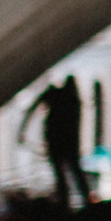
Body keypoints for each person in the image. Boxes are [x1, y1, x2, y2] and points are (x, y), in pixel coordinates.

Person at [17, 76, 87, 206]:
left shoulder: (54, 94)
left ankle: (66, 204)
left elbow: (32, 109)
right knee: (74, 172)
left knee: (61, 174)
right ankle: (83, 203)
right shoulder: (73, 100)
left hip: (55, 140)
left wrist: (22, 131)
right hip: (69, 142)